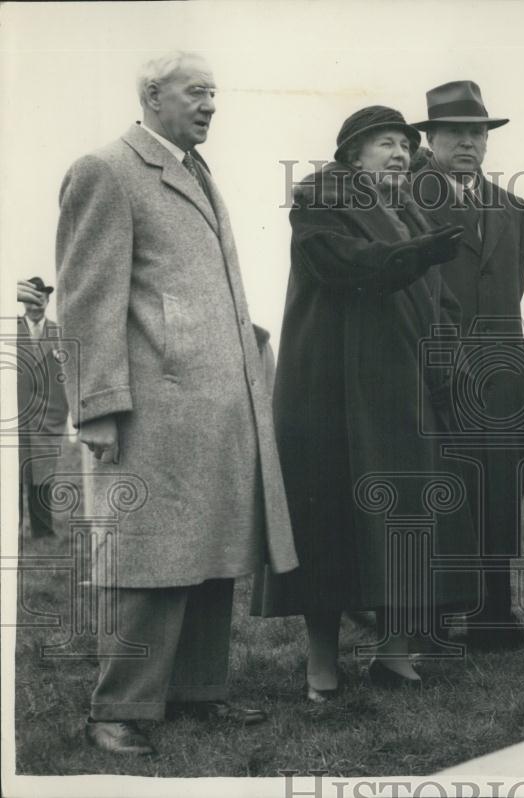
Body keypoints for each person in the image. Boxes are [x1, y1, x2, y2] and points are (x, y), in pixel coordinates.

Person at [55, 51, 298, 756]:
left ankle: (197, 691)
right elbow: (85, 299)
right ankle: (117, 709)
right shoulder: (107, 169)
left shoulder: (194, 170)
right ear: (152, 94)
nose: (210, 105)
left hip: (214, 406)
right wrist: (97, 404)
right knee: (149, 561)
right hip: (153, 410)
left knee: (212, 553)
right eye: (197, 92)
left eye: (215, 94)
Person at [252, 105, 477, 696]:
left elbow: (440, 303)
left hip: (403, 393)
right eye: (385, 143)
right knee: (327, 524)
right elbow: (341, 264)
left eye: (405, 145)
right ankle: (321, 664)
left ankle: (394, 654)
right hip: (330, 396)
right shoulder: (319, 200)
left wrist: (445, 358)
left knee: (401, 519)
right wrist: (417, 253)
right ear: (352, 153)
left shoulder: (411, 213)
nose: (400, 154)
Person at [410, 81, 524, 650]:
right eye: (455, 132)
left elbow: (513, 285)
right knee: (440, 492)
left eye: (477, 132)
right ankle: (429, 622)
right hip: (435, 371)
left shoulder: (511, 207)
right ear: (430, 138)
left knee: (499, 493)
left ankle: (494, 617)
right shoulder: (405, 200)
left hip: (502, 373)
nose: (467, 142)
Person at [16, 277, 69, 539]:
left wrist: (59, 417)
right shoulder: (10, 330)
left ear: (48, 301)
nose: (37, 305)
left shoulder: (59, 333)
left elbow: (68, 378)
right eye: (31, 299)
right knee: (12, 475)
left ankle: (43, 532)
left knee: (42, 476)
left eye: (42, 299)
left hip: (47, 420)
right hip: (14, 419)